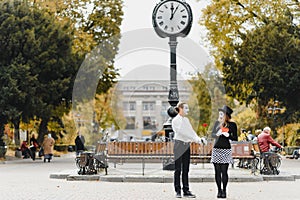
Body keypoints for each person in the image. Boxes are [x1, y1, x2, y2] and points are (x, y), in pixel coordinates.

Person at [172, 102, 206, 198]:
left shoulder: (186, 120)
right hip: (179, 144)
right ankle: (178, 190)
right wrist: (196, 139)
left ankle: (186, 190)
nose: (188, 110)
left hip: (186, 145)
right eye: (186, 108)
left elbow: (191, 131)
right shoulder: (175, 120)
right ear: (180, 108)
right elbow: (182, 132)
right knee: (178, 169)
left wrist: (199, 139)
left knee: (186, 169)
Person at [211, 105, 238, 198]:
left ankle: (224, 190)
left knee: (224, 171)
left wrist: (228, 135)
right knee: (217, 171)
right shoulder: (217, 123)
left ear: (227, 115)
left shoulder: (233, 125)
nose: (220, 115)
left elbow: (235, 138)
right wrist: (217, 134)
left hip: (226, 149)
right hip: (216, 149)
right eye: (220, 114)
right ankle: (219, 190)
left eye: (222, 114)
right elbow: (213, 135)